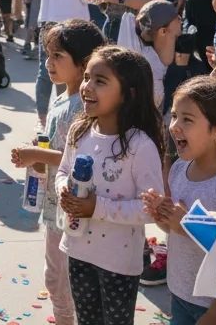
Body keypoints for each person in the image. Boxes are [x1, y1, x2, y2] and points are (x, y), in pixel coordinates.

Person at [56, 46, 166, 325]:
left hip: (118, 262)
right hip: (77, 250)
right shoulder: (79, 130)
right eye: (87, 78)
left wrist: (96, 207)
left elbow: (148, 209)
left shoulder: (140, 146)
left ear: (129, 93)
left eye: (100, 81)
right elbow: (63, 171)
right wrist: (63, 191)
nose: (87, 87)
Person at [10, 19, 108, 325]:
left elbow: (83, 157)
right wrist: (39, 153)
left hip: (70, 213)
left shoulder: (83, 105)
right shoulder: (65, 97)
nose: (48, 63)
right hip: (56, 206)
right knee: (57, 277)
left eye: (57, 56)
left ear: (83, 64)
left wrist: (37, 154)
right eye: (47, 55)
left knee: (61, 280)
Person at [144, 76, 216, 325]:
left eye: (187, 119)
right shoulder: (178, 169)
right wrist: (162, 217)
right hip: (181, 293)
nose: (174, 126)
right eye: (174, 116)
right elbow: (175, 232)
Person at [31, 0, 95, 124]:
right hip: (51, 23)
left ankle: (69, 115)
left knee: (76, 71)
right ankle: (43, 119)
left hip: (77, 25)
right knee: (46, 71)